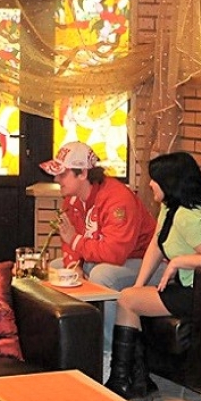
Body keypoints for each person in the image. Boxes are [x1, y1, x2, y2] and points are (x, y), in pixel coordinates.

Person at [105, 152, 201, 401]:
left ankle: (126, 381)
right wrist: (139, 285)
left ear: (169, 182)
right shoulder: (170, 208)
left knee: (126, 300)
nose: (150, 184)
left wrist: (178, 262)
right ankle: (135, 381)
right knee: (129, 298)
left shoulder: (189, 217)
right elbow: (156, 244)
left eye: (155, 179)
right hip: (184, 287)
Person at [40, 142, 162, 345]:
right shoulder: (72, 199)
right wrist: (75, 266)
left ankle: (107, 352)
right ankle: (72, 344)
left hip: (149, 264)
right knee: (58, 268)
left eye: (62, 174)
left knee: (102, 274)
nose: (56, 179)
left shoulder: (117, 199)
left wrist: (77, 243)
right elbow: (70, 242)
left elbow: (114, 253)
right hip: (106, 259)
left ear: (82, 174)